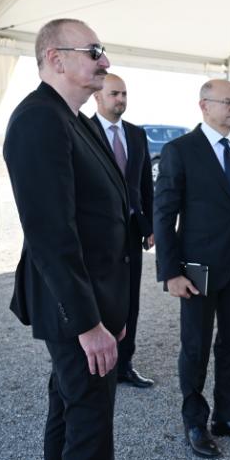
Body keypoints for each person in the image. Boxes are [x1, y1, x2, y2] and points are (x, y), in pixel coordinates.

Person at [3, 18, 129, 460]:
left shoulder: (71, 119)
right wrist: (89, 323)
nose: (106, 61)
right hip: (77, 311)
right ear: (55, 58)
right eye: (94, 51)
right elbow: (50, 234)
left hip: (92, 303)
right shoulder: (40, 118)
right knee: (89, 433)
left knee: (72, 412)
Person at [154, 78, 230, 459]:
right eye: (227, 102)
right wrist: (170, 272)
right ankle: (194, 422)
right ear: (204, 106)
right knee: (196, 346)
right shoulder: (180, 151)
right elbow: (164, 214)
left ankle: (227, 416)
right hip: (197, 269)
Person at [91, 73, 155, 388]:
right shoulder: (82, 131)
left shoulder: (137, 134)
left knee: (130, 299)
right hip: (98, 235)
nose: (121, 100)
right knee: (101, 297)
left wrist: (151, 226)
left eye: (124, 94)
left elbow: (145, 184)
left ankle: (124, 365)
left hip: (131, 232)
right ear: (97, 97)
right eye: (115, 93)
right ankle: (98, 364)